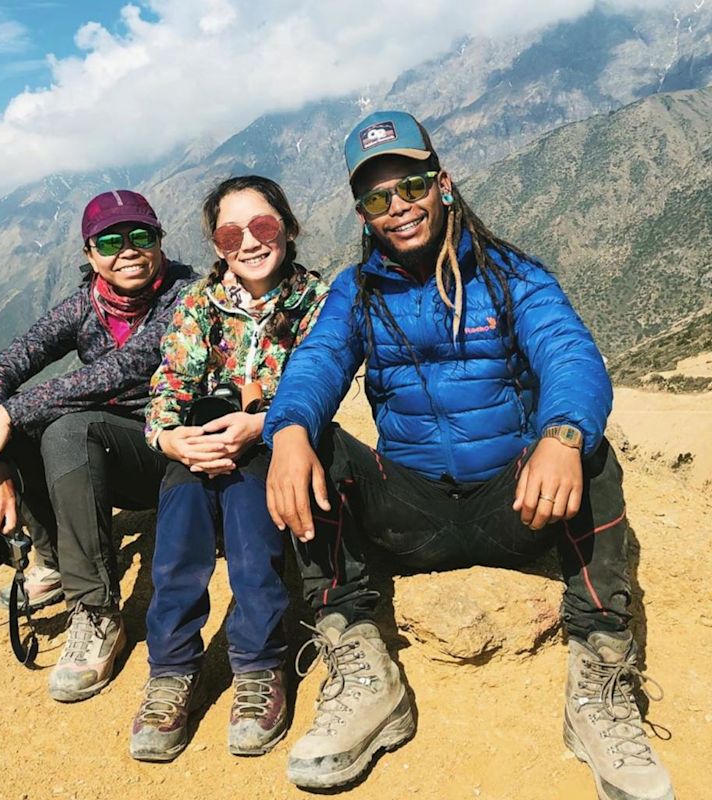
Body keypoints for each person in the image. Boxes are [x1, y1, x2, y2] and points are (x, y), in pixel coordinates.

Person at [263, 111, 675, 799]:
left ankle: (601, 677)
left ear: (443, 184)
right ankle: (360, 659)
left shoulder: (511, 273)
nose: (398, 208)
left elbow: (569, 352)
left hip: (511, 506)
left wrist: (562, 434)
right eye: (376, 198)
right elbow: (318, 361)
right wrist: (289, 431)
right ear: (362, 213)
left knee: (592, 453)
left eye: (412, 185)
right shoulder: (355, 292)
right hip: (411, 511)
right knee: (314, 447)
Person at [128, 176, 328, 762]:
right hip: (203, 443)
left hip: (275, 441)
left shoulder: (318, 301)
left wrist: (260, 421)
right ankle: (171, 670)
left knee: (248, 508)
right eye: (230, 232)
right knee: (182, 499)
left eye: (264, 226)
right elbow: (168, 386)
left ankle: (260, 663)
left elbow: (323, 379)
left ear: (288, 229)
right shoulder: (199, 304)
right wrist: (174, 440)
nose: (249, 242)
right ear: (217, 245)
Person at [0, 189, 195, 702]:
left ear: (159, 241)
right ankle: (54, 561)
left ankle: (96, 610)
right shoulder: (84, 306)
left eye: (142, 236)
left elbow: (124, 367)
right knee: (25, 423)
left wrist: (10, 413)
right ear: (90, 254)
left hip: (167, 454)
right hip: (101, 453)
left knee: (61, 424)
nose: (128, 250)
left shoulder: (186, 297)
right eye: (111, 241)